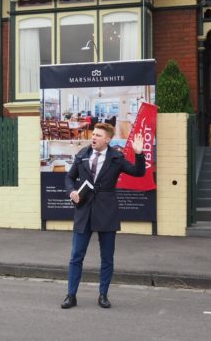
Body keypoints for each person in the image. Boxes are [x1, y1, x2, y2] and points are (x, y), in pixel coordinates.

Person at [61, 122, 145, 309]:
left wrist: (139, 154)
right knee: (76, 256)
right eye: (93, 134)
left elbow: (139, 172)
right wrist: (71, 192)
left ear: (108, 139)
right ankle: (71, 295)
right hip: (84, 212)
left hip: (107, 213)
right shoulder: (82, 154)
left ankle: (103, 295)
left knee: (107, 257)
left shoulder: (116, 158)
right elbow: (68, 178)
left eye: (98, 135)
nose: (94, 137)